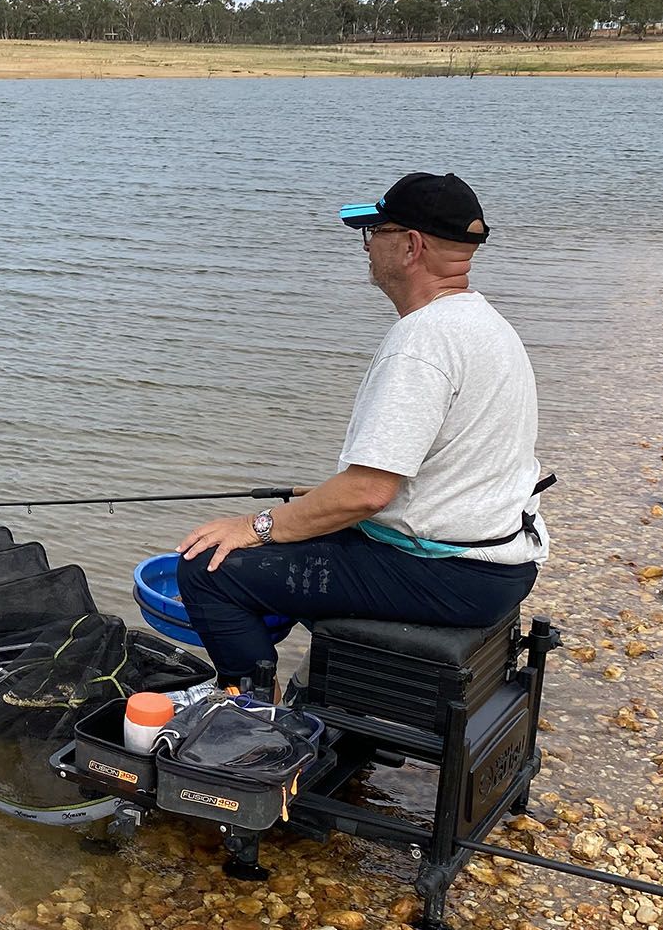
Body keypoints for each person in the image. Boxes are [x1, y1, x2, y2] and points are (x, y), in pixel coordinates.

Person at [175, 172, 549, 689]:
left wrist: (255, 526)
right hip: (496, 563)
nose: (368, 247)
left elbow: (369, 492)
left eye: (374, 233)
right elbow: (432, 472)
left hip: (454, 575)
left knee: (206, 570)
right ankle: (340, 691)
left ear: (410, 246)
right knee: (310, 531)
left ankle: (250, 715)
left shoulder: (420, 343)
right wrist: (321, 505)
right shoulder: (485, 324)